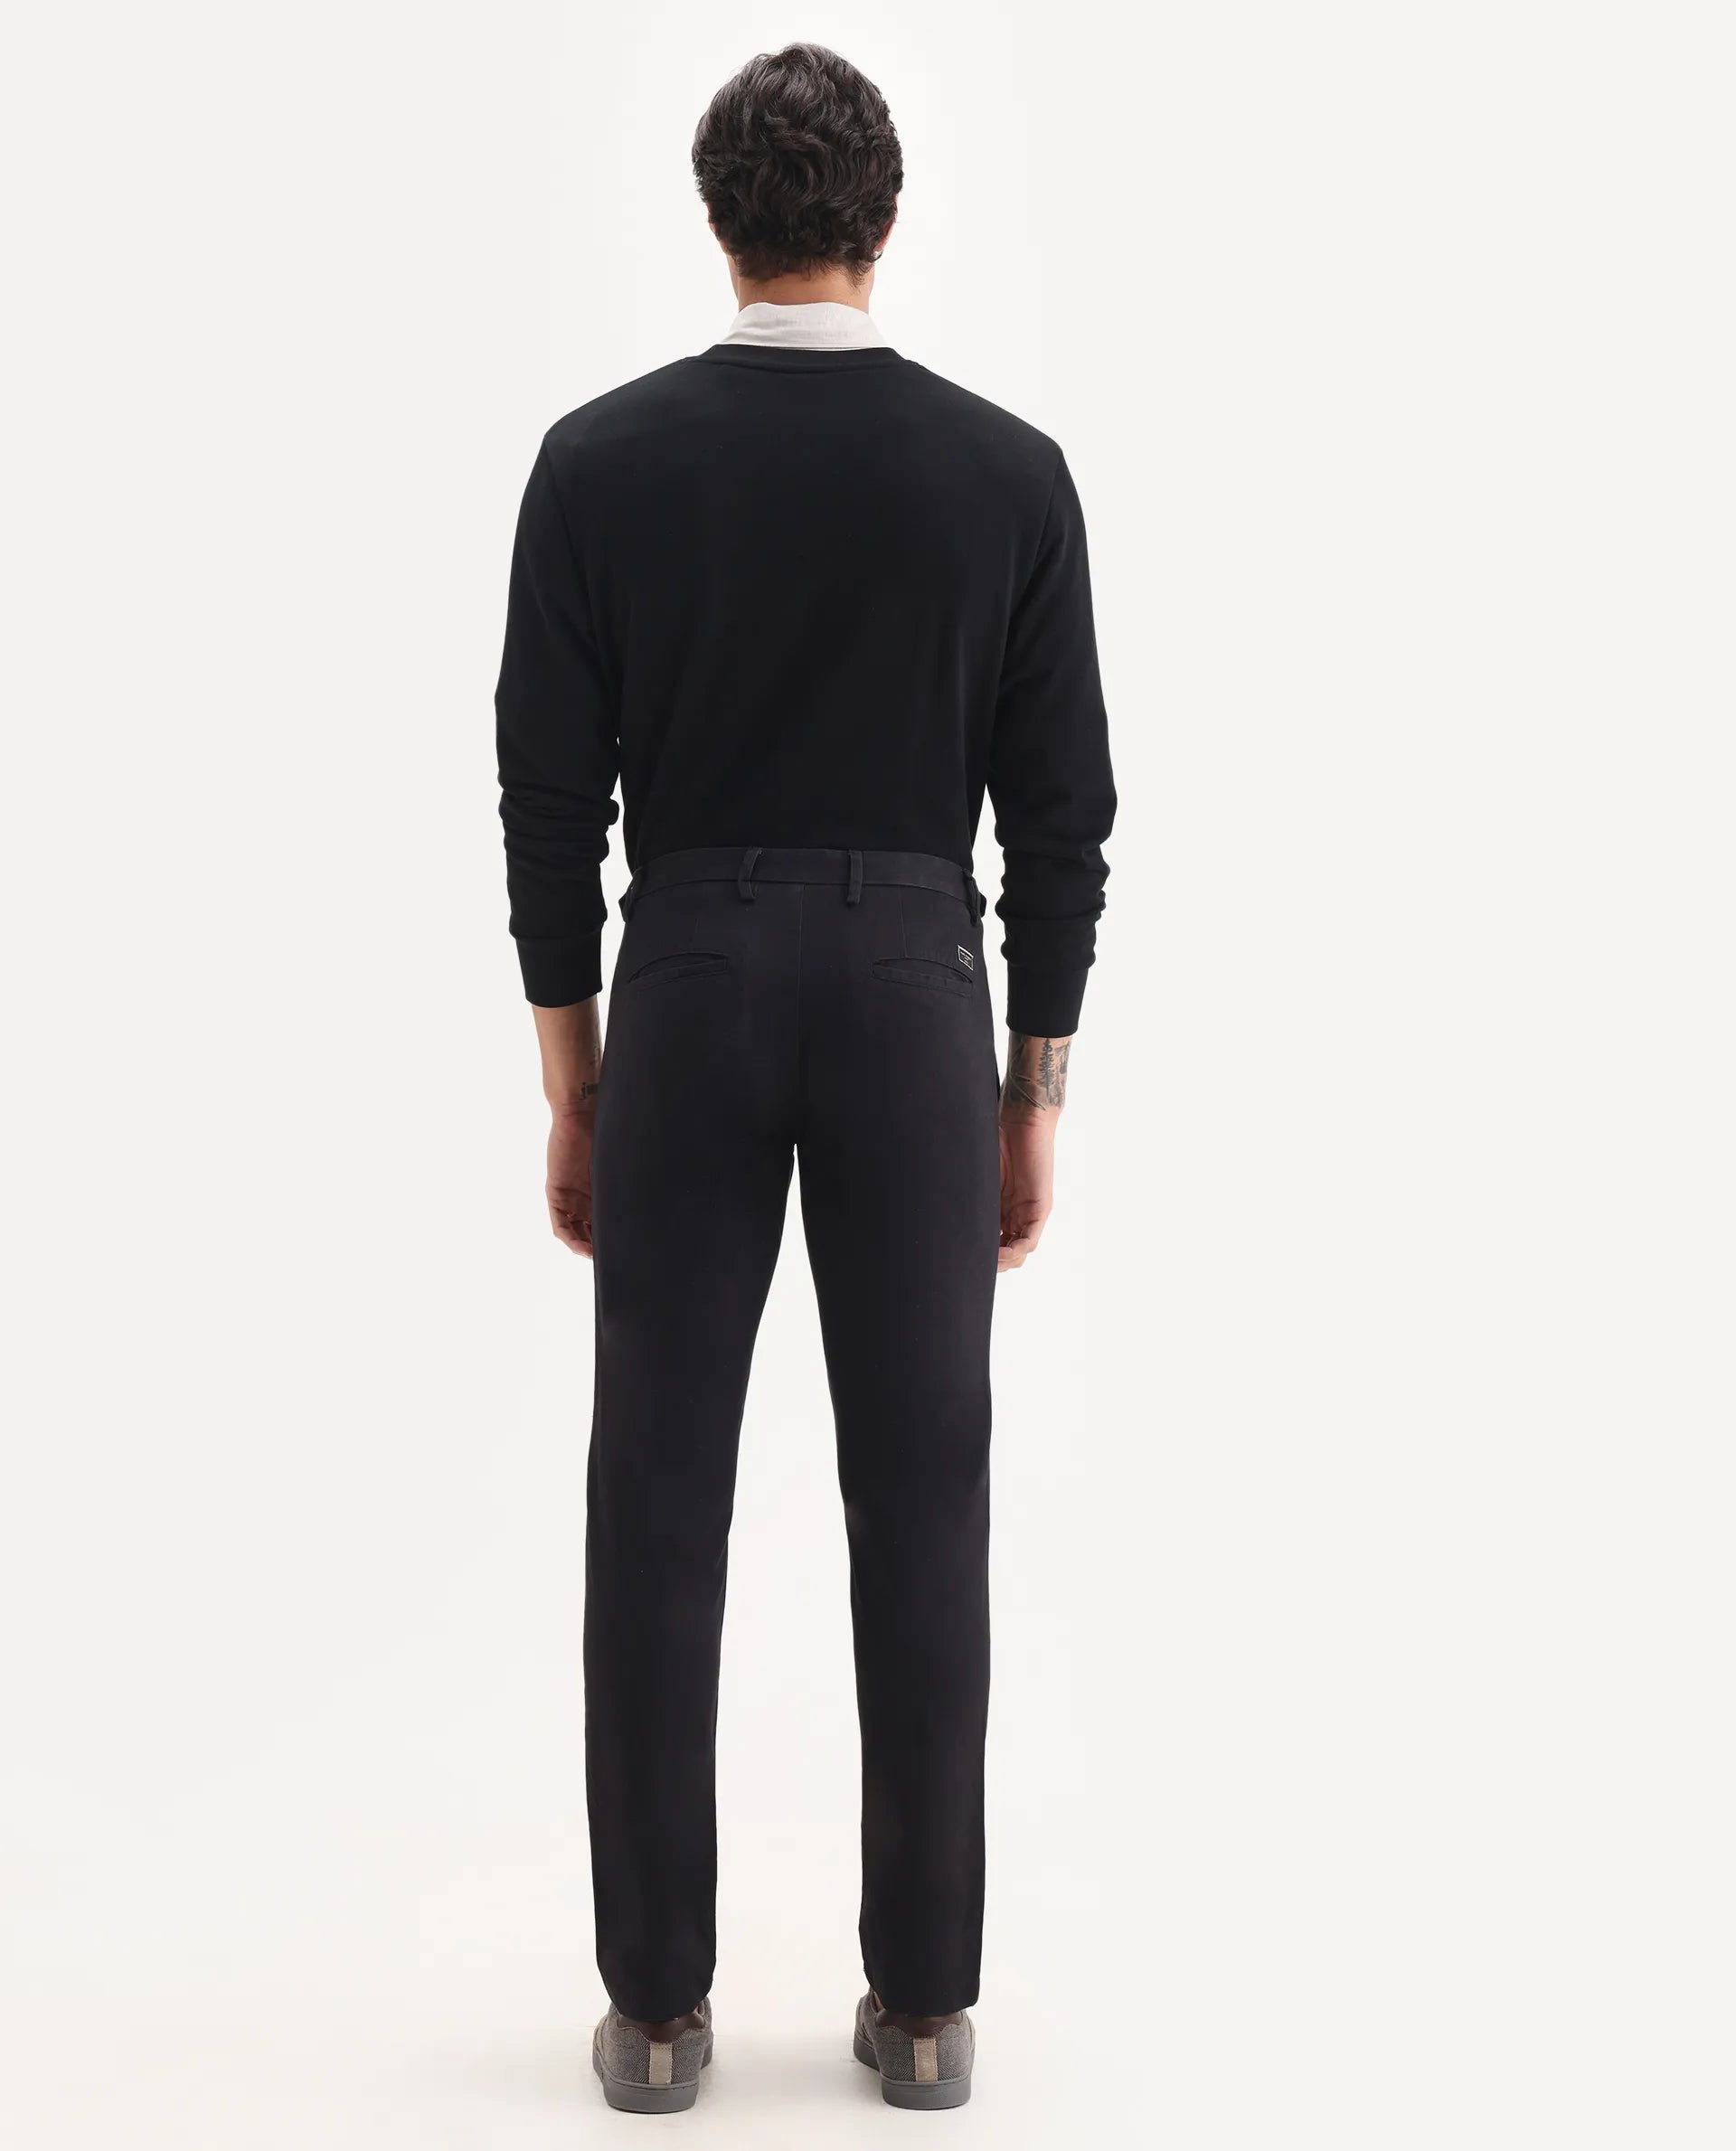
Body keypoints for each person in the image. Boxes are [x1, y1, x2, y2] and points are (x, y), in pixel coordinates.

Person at [495, 42, 1115, 2114]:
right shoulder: (1007, 475)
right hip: (919, 982)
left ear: (718, 220)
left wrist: (575, 1074)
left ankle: (658, 2010)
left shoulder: (600, 464)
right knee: (924, 1490)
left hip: (684, 971)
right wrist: (1033, 1084)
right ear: (887, 218)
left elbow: (545, 799)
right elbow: (1062, 812)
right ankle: (924, 2005)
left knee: (656, 1487)